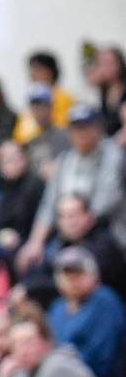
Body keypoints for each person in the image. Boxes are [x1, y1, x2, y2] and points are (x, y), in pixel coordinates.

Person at [17, 104, 126, 271]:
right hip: (68, 232)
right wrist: (35, 242)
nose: (81, 132)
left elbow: (109, 197)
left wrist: (77, 221)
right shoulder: (64, 160)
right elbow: (49, 204)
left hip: (107, 231)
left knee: (80, 266)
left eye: (86, 126)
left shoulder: (112, 154)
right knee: (32, 262)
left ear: (98, 128)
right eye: (76, 128)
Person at [48, 246, 126, 377]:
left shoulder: (105, 302)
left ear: (94, 276)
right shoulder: (57, 307)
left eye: (79, 274)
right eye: (67, 276)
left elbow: (102, 360)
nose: (73, 281)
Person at [21, 82, 70, 180]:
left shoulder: (66, 134)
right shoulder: (30, 141)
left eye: (42, 105)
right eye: (34, 106)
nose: (38, 110)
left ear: (51, 107)